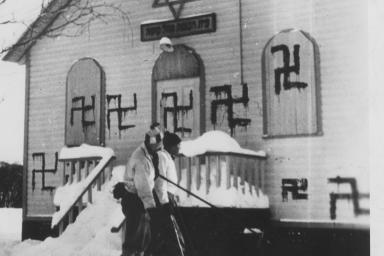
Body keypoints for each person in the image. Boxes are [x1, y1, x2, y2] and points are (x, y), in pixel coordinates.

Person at [114, 123, 163, 256]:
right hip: (134, 201)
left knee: (143, 241)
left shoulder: (148, 154)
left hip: (139, 200)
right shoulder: (141, 159)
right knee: (133, 242)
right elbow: (144, 187)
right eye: (158, 145)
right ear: (152, 143)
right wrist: (151, 209)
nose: (159, 148)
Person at [153, 131, 187, 256]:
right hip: (162, 200)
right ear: (171, 146)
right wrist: (165, 201)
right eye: (177, 145)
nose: (179, 148)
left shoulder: (168, 157)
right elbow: (160, 181)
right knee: (172, 233)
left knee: (167, 233)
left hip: (168, 199)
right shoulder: (162, 156)